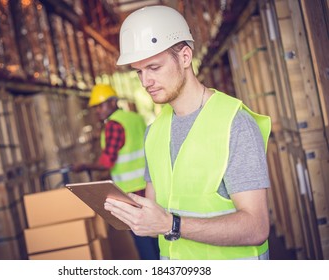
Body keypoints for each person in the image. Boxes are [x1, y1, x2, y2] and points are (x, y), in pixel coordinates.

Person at [104, 5, 272, 260]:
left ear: (184, 57)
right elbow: (155, 221)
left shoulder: (234, 122)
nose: (145, 81)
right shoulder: (155, 133)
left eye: (154, 67)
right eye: (139, 71)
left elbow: (256, 227)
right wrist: (133, 214)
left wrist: (171, 225)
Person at [72, 84, 159, 260]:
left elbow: (106, 163)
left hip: (131, 192)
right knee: (155, 233)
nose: (97, 111)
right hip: (150, 186)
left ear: (113, 103)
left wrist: (84, 166)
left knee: (140, 236)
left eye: (101, 105)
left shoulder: (113, 125)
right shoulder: (135, 118)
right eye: (95, 107)